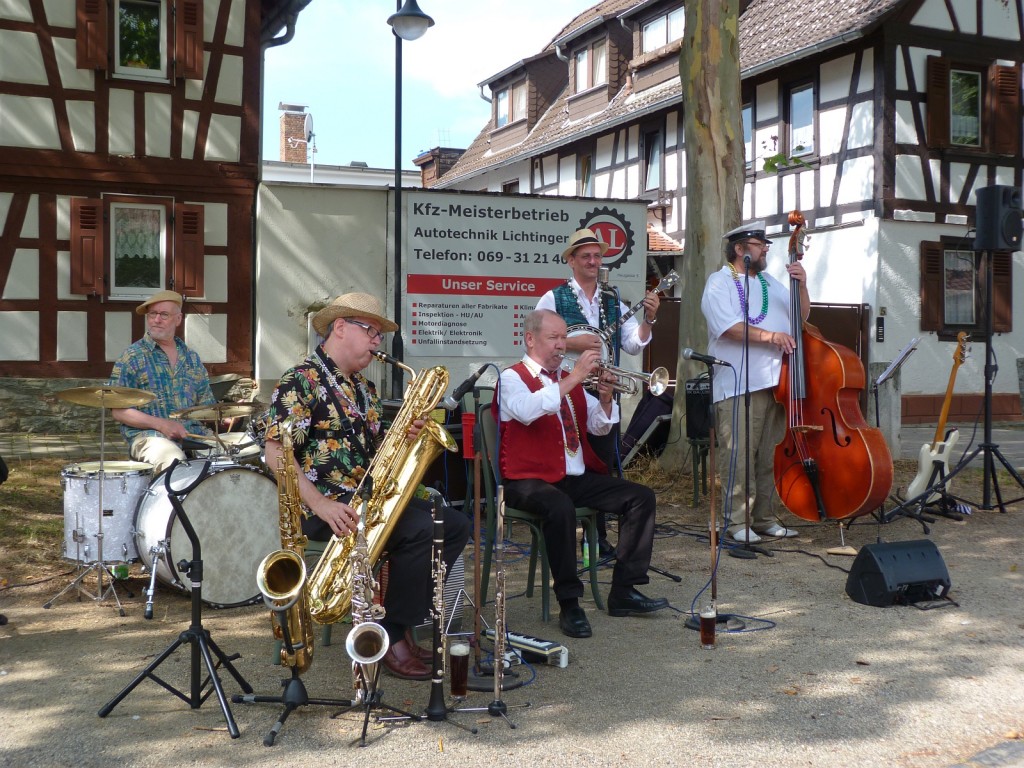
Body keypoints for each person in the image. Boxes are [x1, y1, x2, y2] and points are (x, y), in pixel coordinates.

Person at [263, 292, 471, 681]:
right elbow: (275, 452)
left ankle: (399, 626)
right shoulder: (300, 381)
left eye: (379, 334)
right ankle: (389, 637)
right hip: (324, 510)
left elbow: (374, 454)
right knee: (421, 531)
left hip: (365, 502)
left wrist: (407, 437)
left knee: (455, 525)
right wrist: (321, 503)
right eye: (371, 331)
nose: (378, 341)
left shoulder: (364, 389)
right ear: (339, 327)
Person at [497, 309, 667, 640]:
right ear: (530, 339)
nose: (562, 345)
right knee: (558, 507)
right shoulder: (511, 378)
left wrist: (605, 398)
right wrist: (573, 377)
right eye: (554, 338)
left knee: (640, 497)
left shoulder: (566, 380)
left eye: (564, 338)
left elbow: (598, 427)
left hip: (570, 476)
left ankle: (625, 590)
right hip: (525, 478)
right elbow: (528, 412)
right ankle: (570, 602)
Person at [535, 227, 661, 555]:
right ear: (572, 261)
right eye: (585, 256)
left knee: (603, 464)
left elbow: (633, 341)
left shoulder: (611, 298)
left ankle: (599, 540)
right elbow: (537, 341)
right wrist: (574, 342)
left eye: (597, 256)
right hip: (567, 395)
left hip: (603, 392)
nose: (593, 261)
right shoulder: (553, 298)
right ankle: (567, 533)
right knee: (573, 465)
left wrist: (649, 318)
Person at [700, 220, 810, 544]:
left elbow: (801, 318)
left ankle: (764, 518)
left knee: (769, 455)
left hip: (777, 384)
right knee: (739, 455)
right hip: (737, 384)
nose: (765, 249)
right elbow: (728, 327)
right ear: (740, 249)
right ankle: (736, 522)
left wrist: (802, 286)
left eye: (766, 244)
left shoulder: (772, 283)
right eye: (759, 243)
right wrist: (770, 336)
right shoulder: (719, 282)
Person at [109, 290, 216, 474]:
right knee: (172, 460)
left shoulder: (191, 358)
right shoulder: (132, 357)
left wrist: (229, 414)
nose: (156, 320)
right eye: (152, 314)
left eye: (164, 315)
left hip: (192, 434)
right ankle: (171, 503)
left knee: (230, 457)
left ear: (178, 319)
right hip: (149, 437)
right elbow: (118, 411)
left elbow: (205, 407)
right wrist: (161, 424)